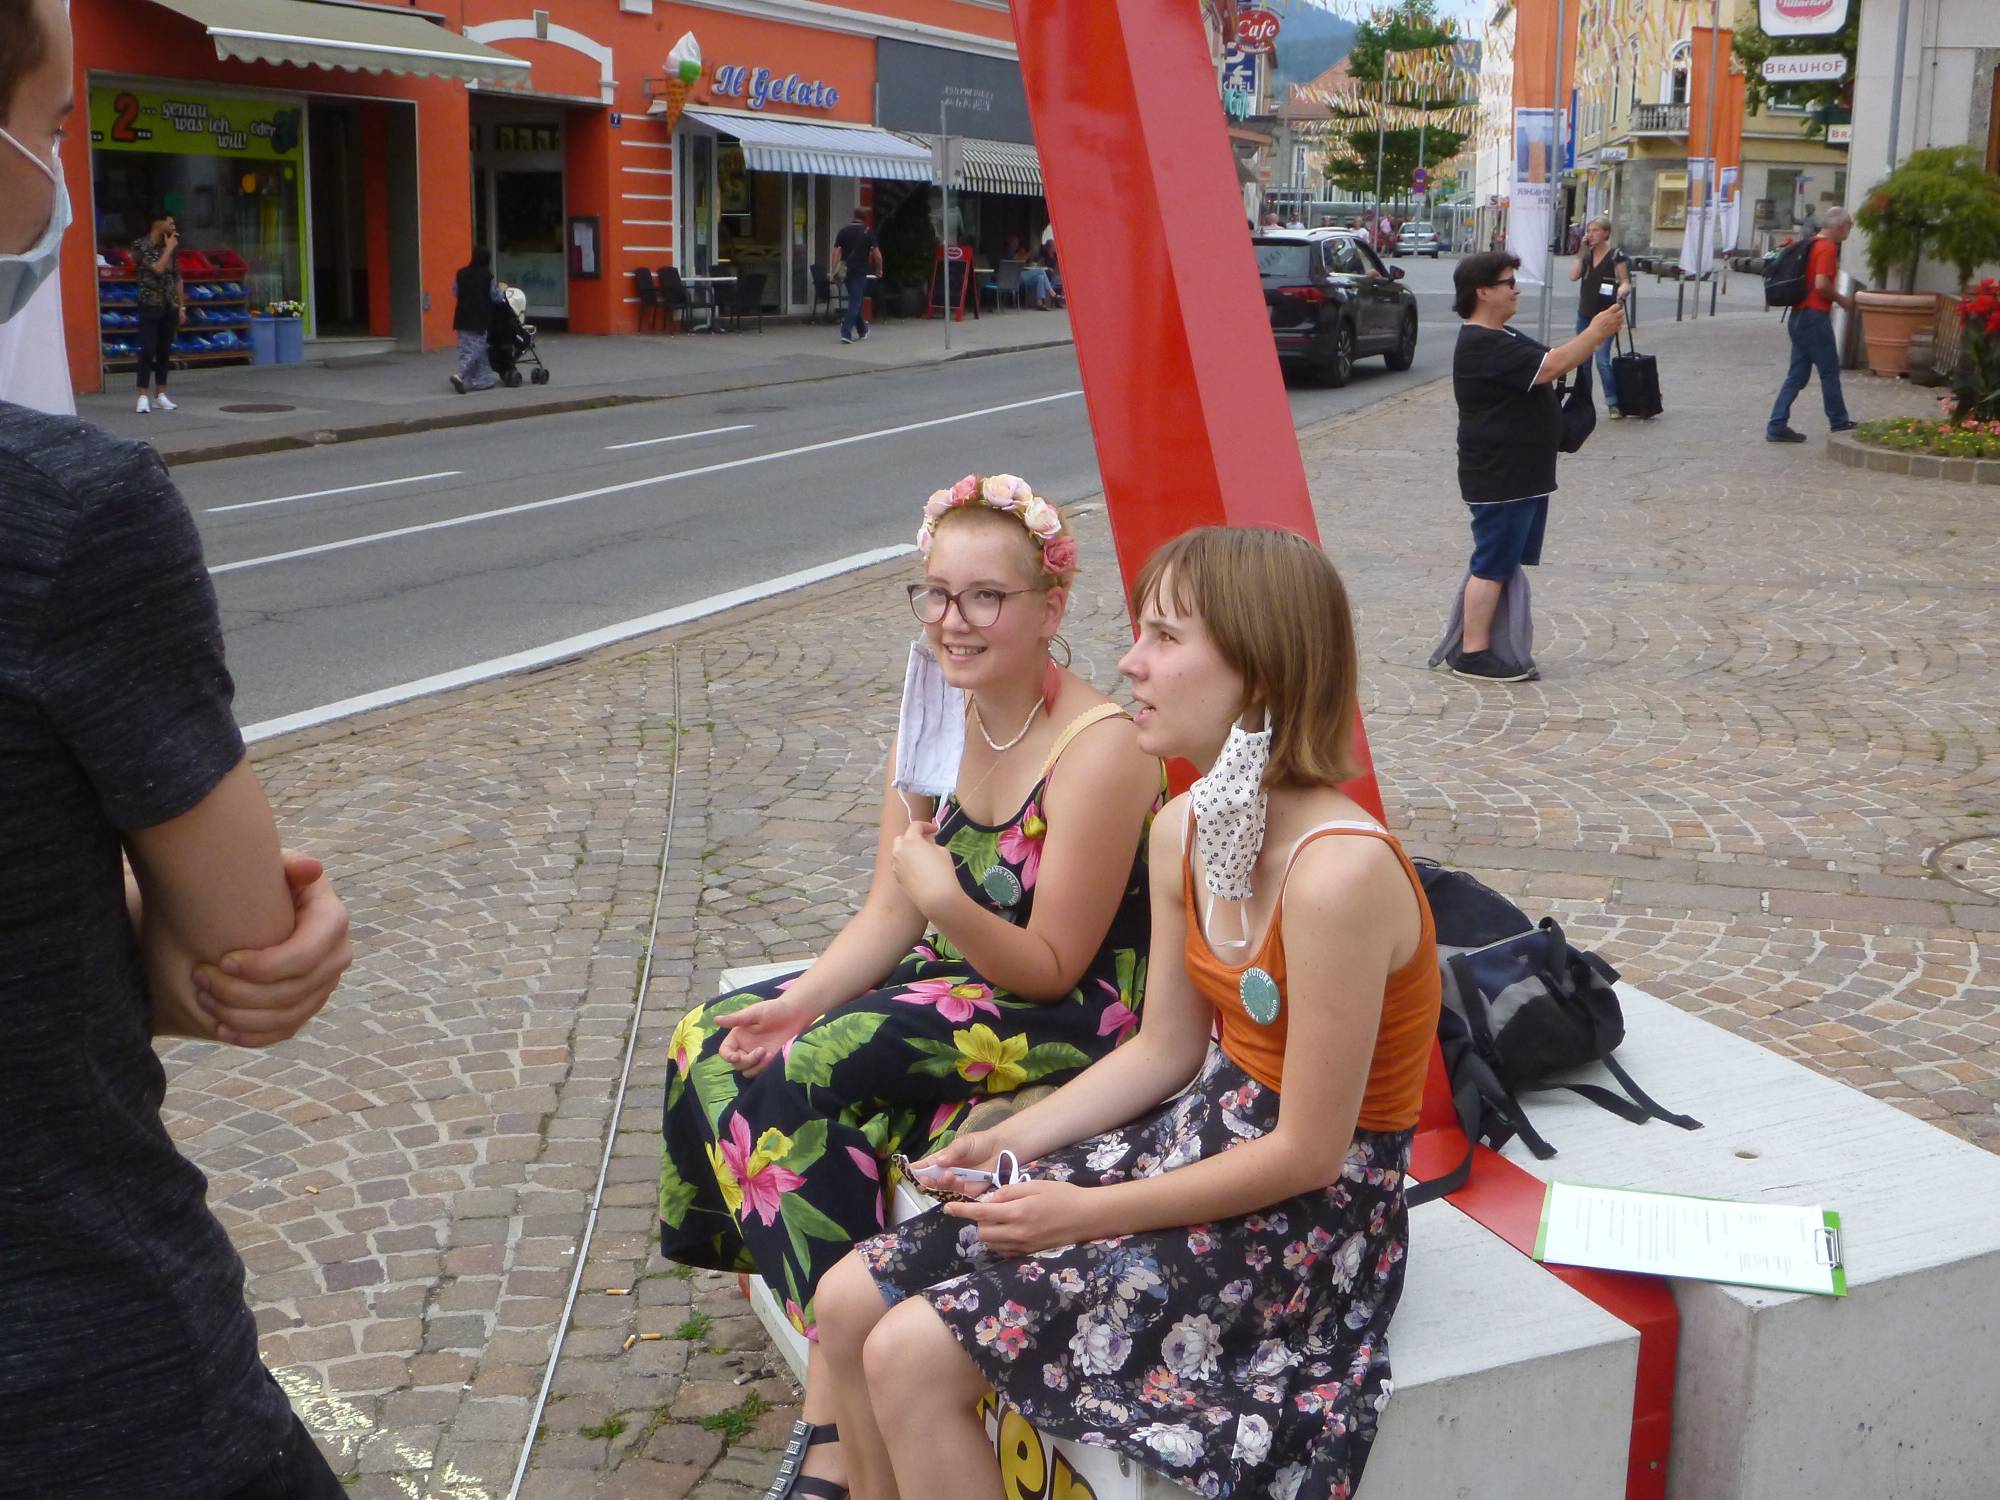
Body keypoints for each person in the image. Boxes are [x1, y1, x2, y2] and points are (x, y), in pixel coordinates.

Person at [813, 525, 1443, 1500]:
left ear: (1260, 673)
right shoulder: (1183, 826)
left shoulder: (1339, 875)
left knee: (909, 1353)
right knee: (846, 1297)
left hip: (1305, 1216)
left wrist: (1083, 1214)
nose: (1127, 660)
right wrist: (1008, 1140)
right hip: (1200, 1138)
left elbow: (1308, 1156)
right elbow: (1161, 1053)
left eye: (1163, 636)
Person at [2, 3, 357, 1493]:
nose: (60, 178)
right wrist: (172, 948)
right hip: (78, 1365)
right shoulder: (66, 521)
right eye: (61, 128)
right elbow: (240, 941)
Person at [660, 474, 1161, 1498]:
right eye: (933, 594)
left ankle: (833, 1424)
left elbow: (1053, 962)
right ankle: (838, 1363)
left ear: (1048, 610)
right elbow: (890, 913)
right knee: (713, 1037)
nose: (951, 621)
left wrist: (945, 900)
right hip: (960, 978)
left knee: (813, 1065)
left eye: (985, 597)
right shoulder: (936, 710)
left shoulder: (1097, 747)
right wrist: (798, 997)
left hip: (1066, 1007)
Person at [1446, 250, 1624, 683]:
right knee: (1491, 560)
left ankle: (1488, 640)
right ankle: (1472, 652)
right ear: (1483, 291)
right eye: (1508, 282)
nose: (1516, 288)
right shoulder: (1478, 344)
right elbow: (1553, 365)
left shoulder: (1503, 336)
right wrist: (1596, 332)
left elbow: (1552, 359)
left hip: (1520, 473)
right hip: (1500, 475)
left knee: (1500, 560)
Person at [1767, 206, 1858, 444]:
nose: (1850, 230)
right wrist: (1843, 300)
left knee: (1796, 375)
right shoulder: (1827, 248)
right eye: (1850, 225)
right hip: (1814, 317)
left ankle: (1777, 424)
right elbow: (1821, 284)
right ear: (1841, 226)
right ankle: (1839, 421)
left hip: (1797, 316)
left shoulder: (1810, 244)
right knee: (1829, 371)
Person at [1568, 214, 1632, 417]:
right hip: (1585, 315)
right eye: (1589, 230)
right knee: (1583, 360)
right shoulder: (1587, 255)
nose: (1591, 234)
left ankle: (1613, 403)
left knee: (1602, 360)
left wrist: (1623, 290)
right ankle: (1584, 403)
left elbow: (1625, 281)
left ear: (1606, 233)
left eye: (1595, 230)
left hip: (1606, 316)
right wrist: (1582, 250)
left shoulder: (1615, 256)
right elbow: (1573, 276)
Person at [130, 210, 181, 413]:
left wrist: (182, 305)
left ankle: (161, 393)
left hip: (169, 304)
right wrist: (168, 249)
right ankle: (142, 394)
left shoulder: (170, 246)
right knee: (148, 349)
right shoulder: (140, 246)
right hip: (150, 303)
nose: (174, 228)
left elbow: (176, 276)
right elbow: (158, 269)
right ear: (158, 224)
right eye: (171, 223)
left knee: (164, 350)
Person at [449, 247, 505, 394]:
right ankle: (459, 375)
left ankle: (479, 380)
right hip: (479, 318)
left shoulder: (460, 273)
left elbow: (455, 291)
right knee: (476, 348)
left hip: (462, 317)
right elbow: (495, 297)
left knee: (467, 348)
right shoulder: (487, 276)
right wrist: (503, 289)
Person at [833, 208, 881, 345]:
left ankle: (862, 330)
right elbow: (877, 254)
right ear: (865, 217)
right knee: (855, 302)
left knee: (856, 300)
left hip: (846, 271)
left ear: (854, 215)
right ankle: (846, 332)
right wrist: (879, 269)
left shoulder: (843, 231)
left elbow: (836, 251)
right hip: (860, 272)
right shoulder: (868, 232)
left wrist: (833, 269)